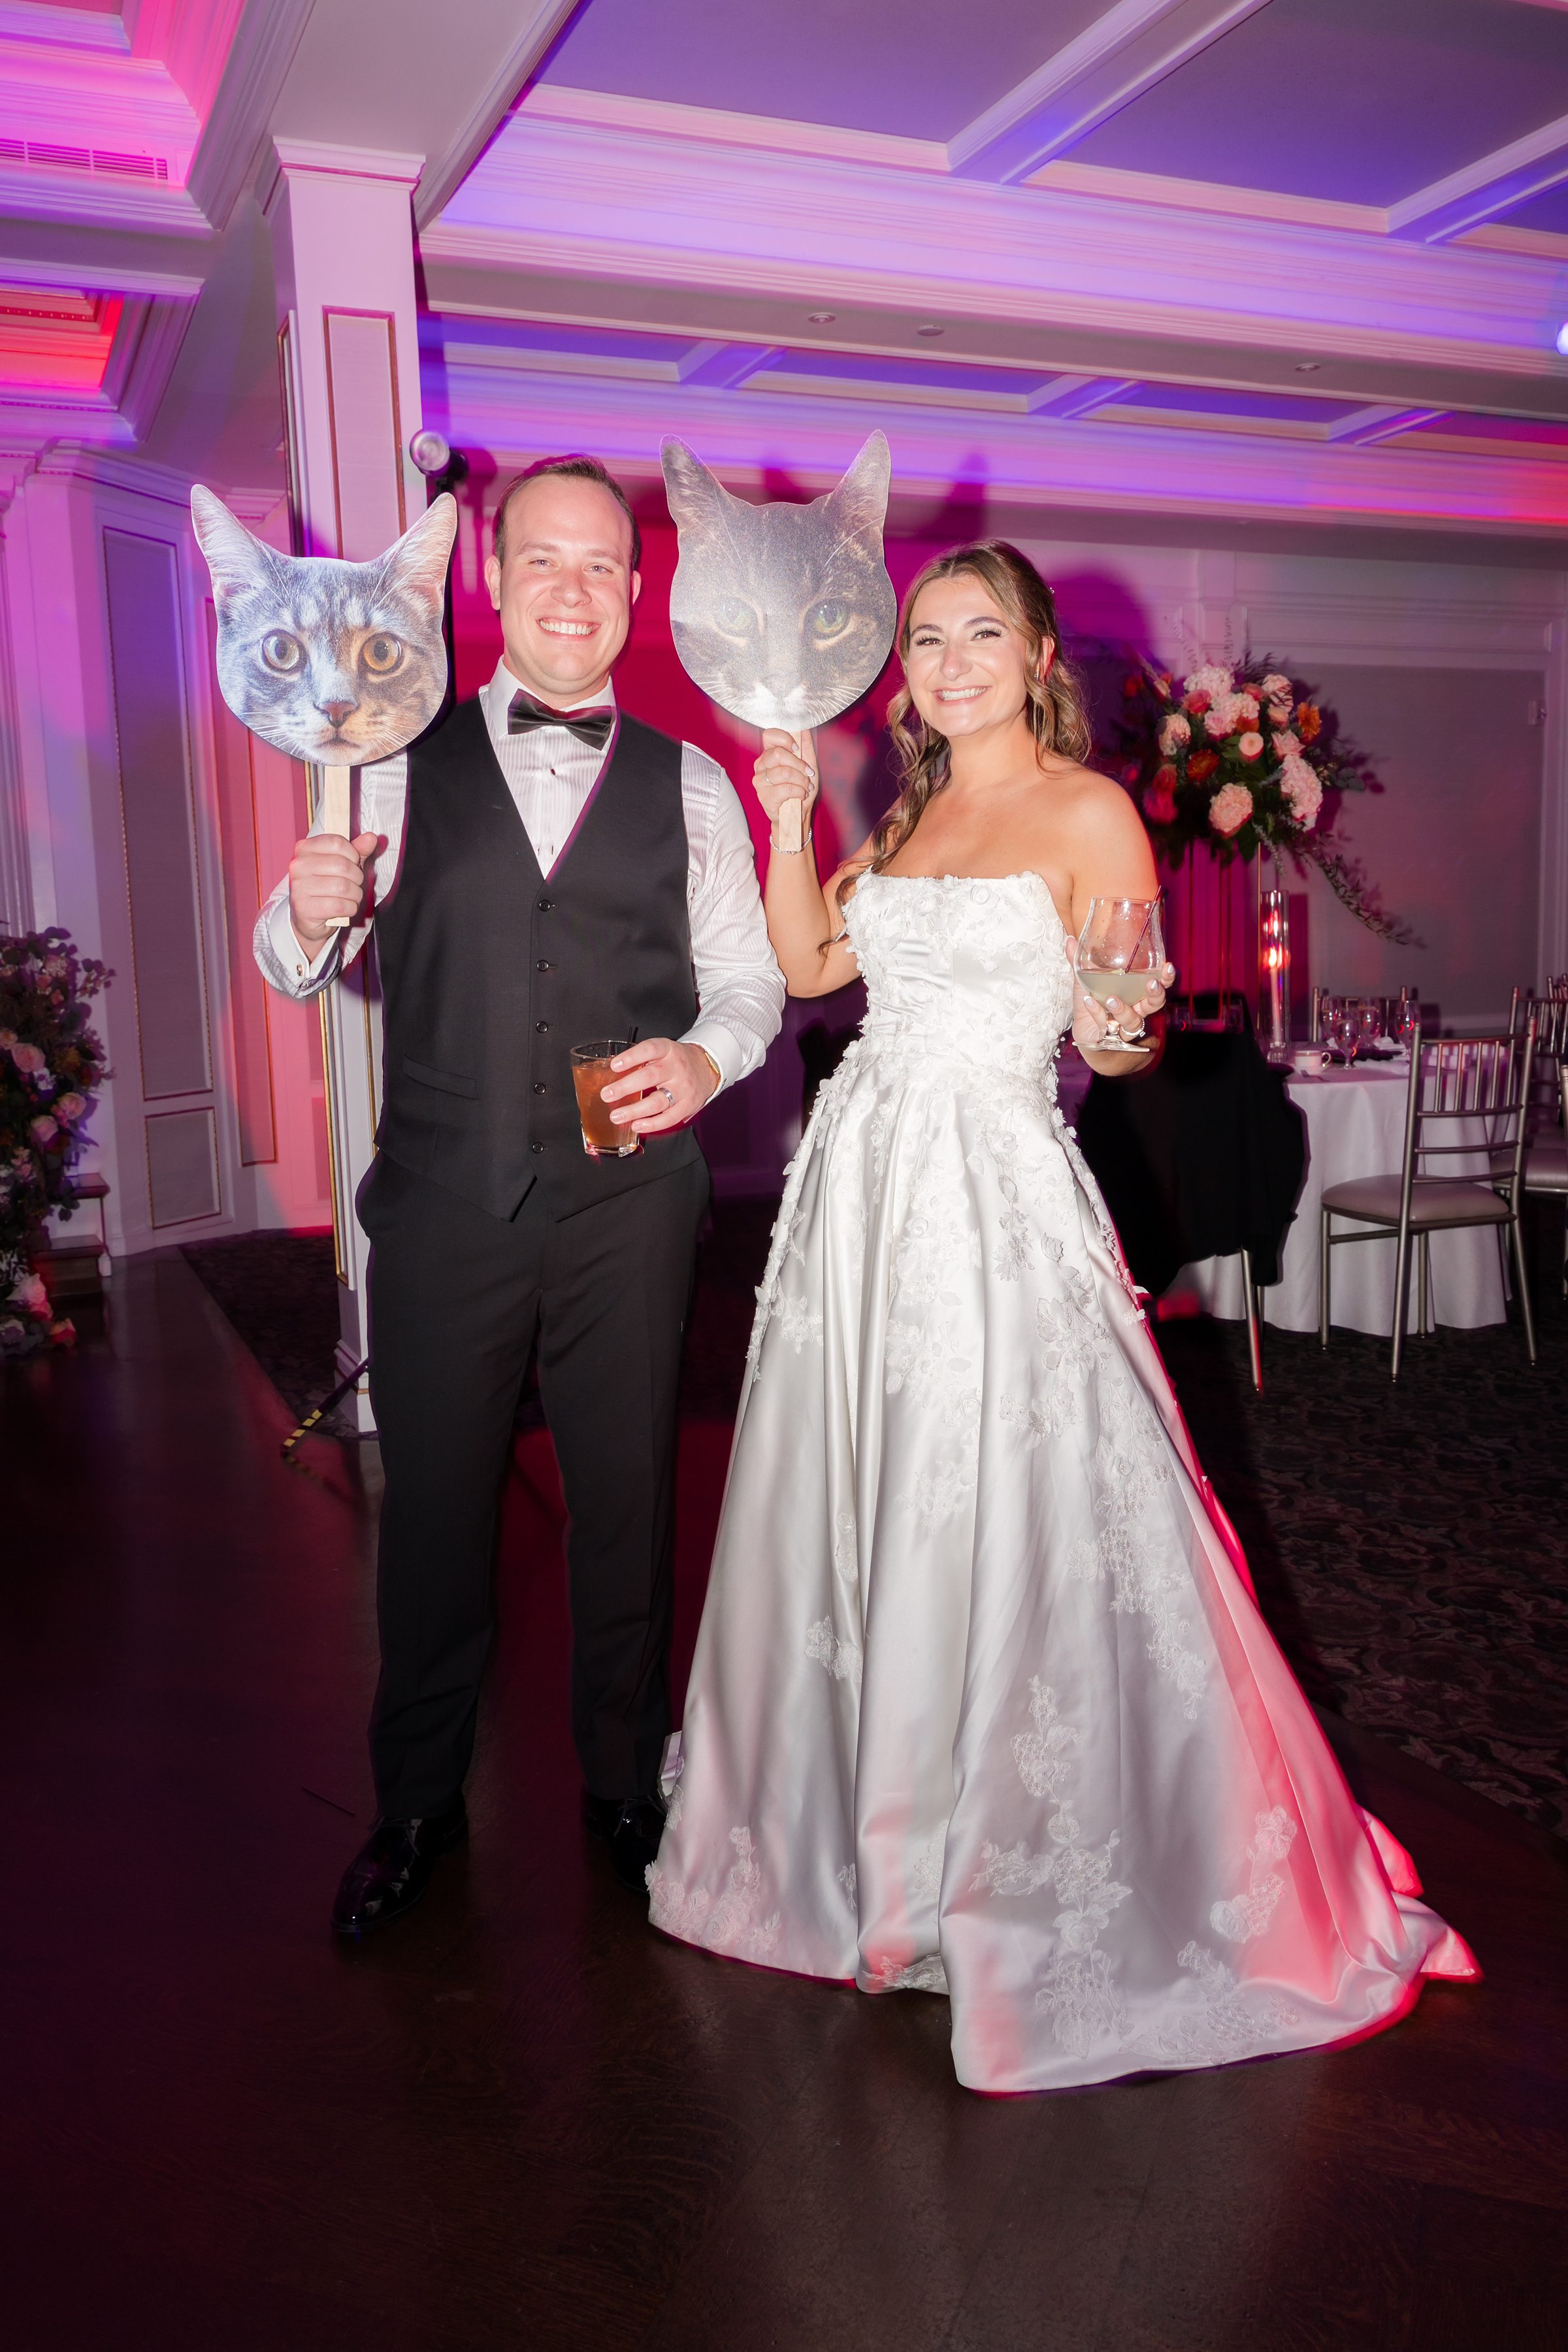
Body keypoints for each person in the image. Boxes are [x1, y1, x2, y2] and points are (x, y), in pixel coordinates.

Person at [647, 541, 1475, 2093]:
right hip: (860, 1200)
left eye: (982, 633)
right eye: (924, 638)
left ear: (1038, 659)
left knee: (1007, 1513)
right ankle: (870, 1849)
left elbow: (1128, 1036)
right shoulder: (906, 811)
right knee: (870, 1500)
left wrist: (1121, 1015)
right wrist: (782, 821)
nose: (948, 661)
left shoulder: (1090, 814)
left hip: (991, 1195)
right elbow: (815, 961)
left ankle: (1003, 1862)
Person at [255, 455, 784, 1931]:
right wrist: (301, 920)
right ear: (491, 578)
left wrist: (704, 1054)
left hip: (634, 1209)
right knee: (432, 1521)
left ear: (637, 587)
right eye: (541, 559)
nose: (571, 587)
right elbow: (302, 947)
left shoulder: (690, 781)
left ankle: (625, 1785)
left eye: (601, 563)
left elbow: (746, 981)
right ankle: (417, 1806)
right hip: (441, 1208)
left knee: (628, 1507)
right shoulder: (394, 754)